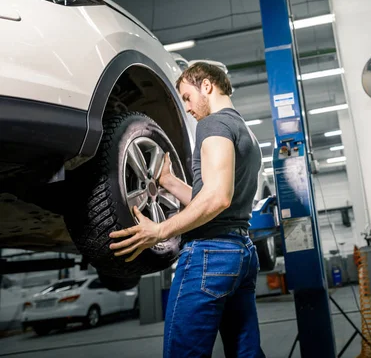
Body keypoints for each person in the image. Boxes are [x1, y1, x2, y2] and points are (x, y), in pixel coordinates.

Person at [108, 62, 265, 358]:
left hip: (210, 254)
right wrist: (169, 181)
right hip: (240, 252)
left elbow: (218, 198)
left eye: (187, 97)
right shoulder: (246, 132)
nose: (188, 108)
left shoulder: (214, 124)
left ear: (207, 86)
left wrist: (159, 231)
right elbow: (209, 198)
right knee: (246, 353)